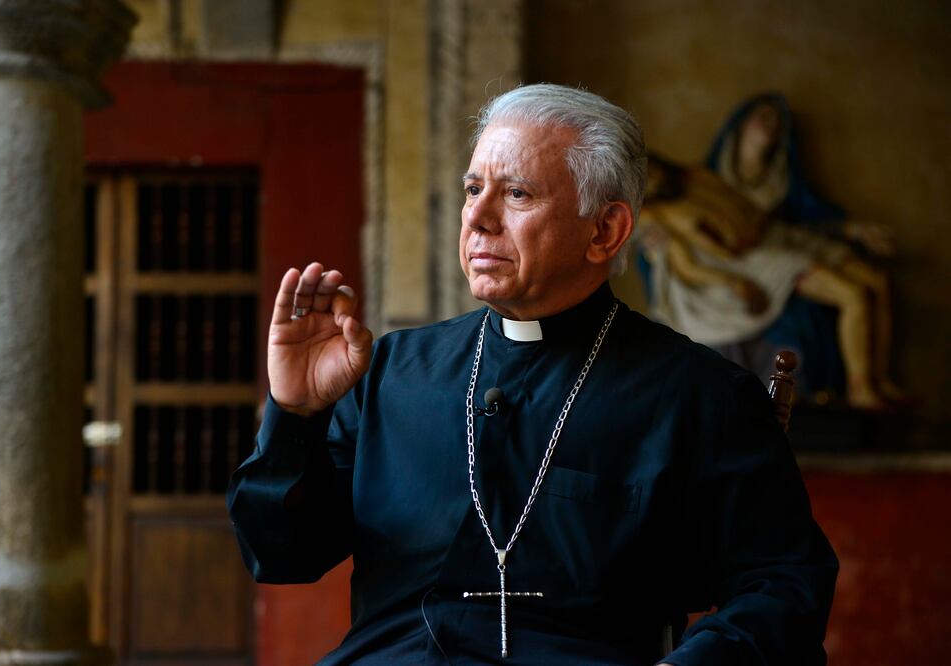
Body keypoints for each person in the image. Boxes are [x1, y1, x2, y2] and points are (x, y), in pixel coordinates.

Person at [227, 84, 838, 665]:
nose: (479, 218)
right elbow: (281, 555)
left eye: (517, 194)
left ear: (604, 231)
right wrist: (296, 414)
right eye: (472, 189)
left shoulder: (701, 395)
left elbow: (783, 585)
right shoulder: (389, 373)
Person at [639, 93, 905, 408]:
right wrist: (729, 276)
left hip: (774, 240)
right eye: (761, 117)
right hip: (754, 260)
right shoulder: (658, 214)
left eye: (776, 122)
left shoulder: (699, 177)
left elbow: (777, 218)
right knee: (854, 294)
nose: (653, 180)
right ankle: (860, 389)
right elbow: (682, 260)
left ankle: (880, 381)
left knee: (876, 281)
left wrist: (850, 230)